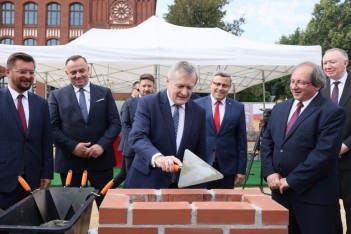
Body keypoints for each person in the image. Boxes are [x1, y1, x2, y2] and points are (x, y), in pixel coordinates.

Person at [261, 62, 346, 234]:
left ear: (318, 85)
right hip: (281, 196)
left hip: (314, 199)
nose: (294, 86)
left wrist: (292, 180)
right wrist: (270, 172)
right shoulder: (279, 109)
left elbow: (324, 155)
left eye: (301, 82)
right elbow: (268, 142)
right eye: (292, 81)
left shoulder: (332, 112)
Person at [48, 55, 121, 207]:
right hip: (70, 162)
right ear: (66, 73)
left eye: (82, 70)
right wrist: (73, 147)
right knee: (71, 209)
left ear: (89, 70)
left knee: (107, 207)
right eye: (73, 72)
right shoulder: (56, 95)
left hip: (101, 161)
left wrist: (101, 145)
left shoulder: (104, 93)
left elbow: (115, 123)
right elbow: (52, 127)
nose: (78, 75)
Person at [123, 61, 206, 189]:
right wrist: (158, 158)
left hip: (181, 187)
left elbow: (200, 152)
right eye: (180, 86)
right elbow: (137, 137)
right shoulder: (148, 103)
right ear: (167, 81)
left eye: (189, 87)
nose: (184, 92)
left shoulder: (199, 112)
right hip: (147, 182)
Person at [0, 52, 53, 210]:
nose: (28, 76)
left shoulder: (41, 104)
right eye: (22, 72)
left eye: (31, 72)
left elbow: (46, 141)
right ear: (8, 72)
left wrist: (47, 172)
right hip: (3, 179)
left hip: (33, 180)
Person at [194, 71, 247, 189]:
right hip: (201, 165)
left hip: (227, 168)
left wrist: (241, 170)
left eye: (224, 85)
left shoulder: (238, 107)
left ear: (229, 87)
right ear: (210, 84)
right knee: (201, 203)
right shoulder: (196, 105)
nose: (220, 88)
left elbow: (241, 141)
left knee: (224, 204)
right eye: (217, 84)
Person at [321, 48, 351, 234]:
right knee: (325, 211)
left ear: (345, 63)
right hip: (323, 163)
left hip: (349, 161)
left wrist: (344, 146)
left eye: (332, 62)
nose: (328, 66)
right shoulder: (317, 87)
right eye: (325, 63)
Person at [121, 73, 155, 173]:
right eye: (144, 86)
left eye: (149, 86)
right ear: (138, 86)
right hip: (131, 149)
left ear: (154, 87)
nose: (146, 88)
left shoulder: (158, 104)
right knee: (131, 182)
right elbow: (125, 124)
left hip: (152, 150)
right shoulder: (129, 103)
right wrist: (138, 139)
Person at [113, 81, 139, 187]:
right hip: (129, 144)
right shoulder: (128, 103)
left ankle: (103, 192)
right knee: (127, 174)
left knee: (123, 174)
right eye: (139, 89)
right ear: (133, 90)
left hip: (129, 144)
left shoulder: (140, 102)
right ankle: (103, 192)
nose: (142, 91)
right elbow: (124, 125)